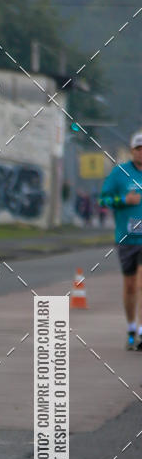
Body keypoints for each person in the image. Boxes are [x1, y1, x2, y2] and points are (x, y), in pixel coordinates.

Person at [99, 132, 142, 349]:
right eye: (138, 148)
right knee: (130, 286)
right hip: (126, 238)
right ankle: (131, 328)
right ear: (132, 150)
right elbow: (103, 199)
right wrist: (124, 199)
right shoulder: (120, 173)